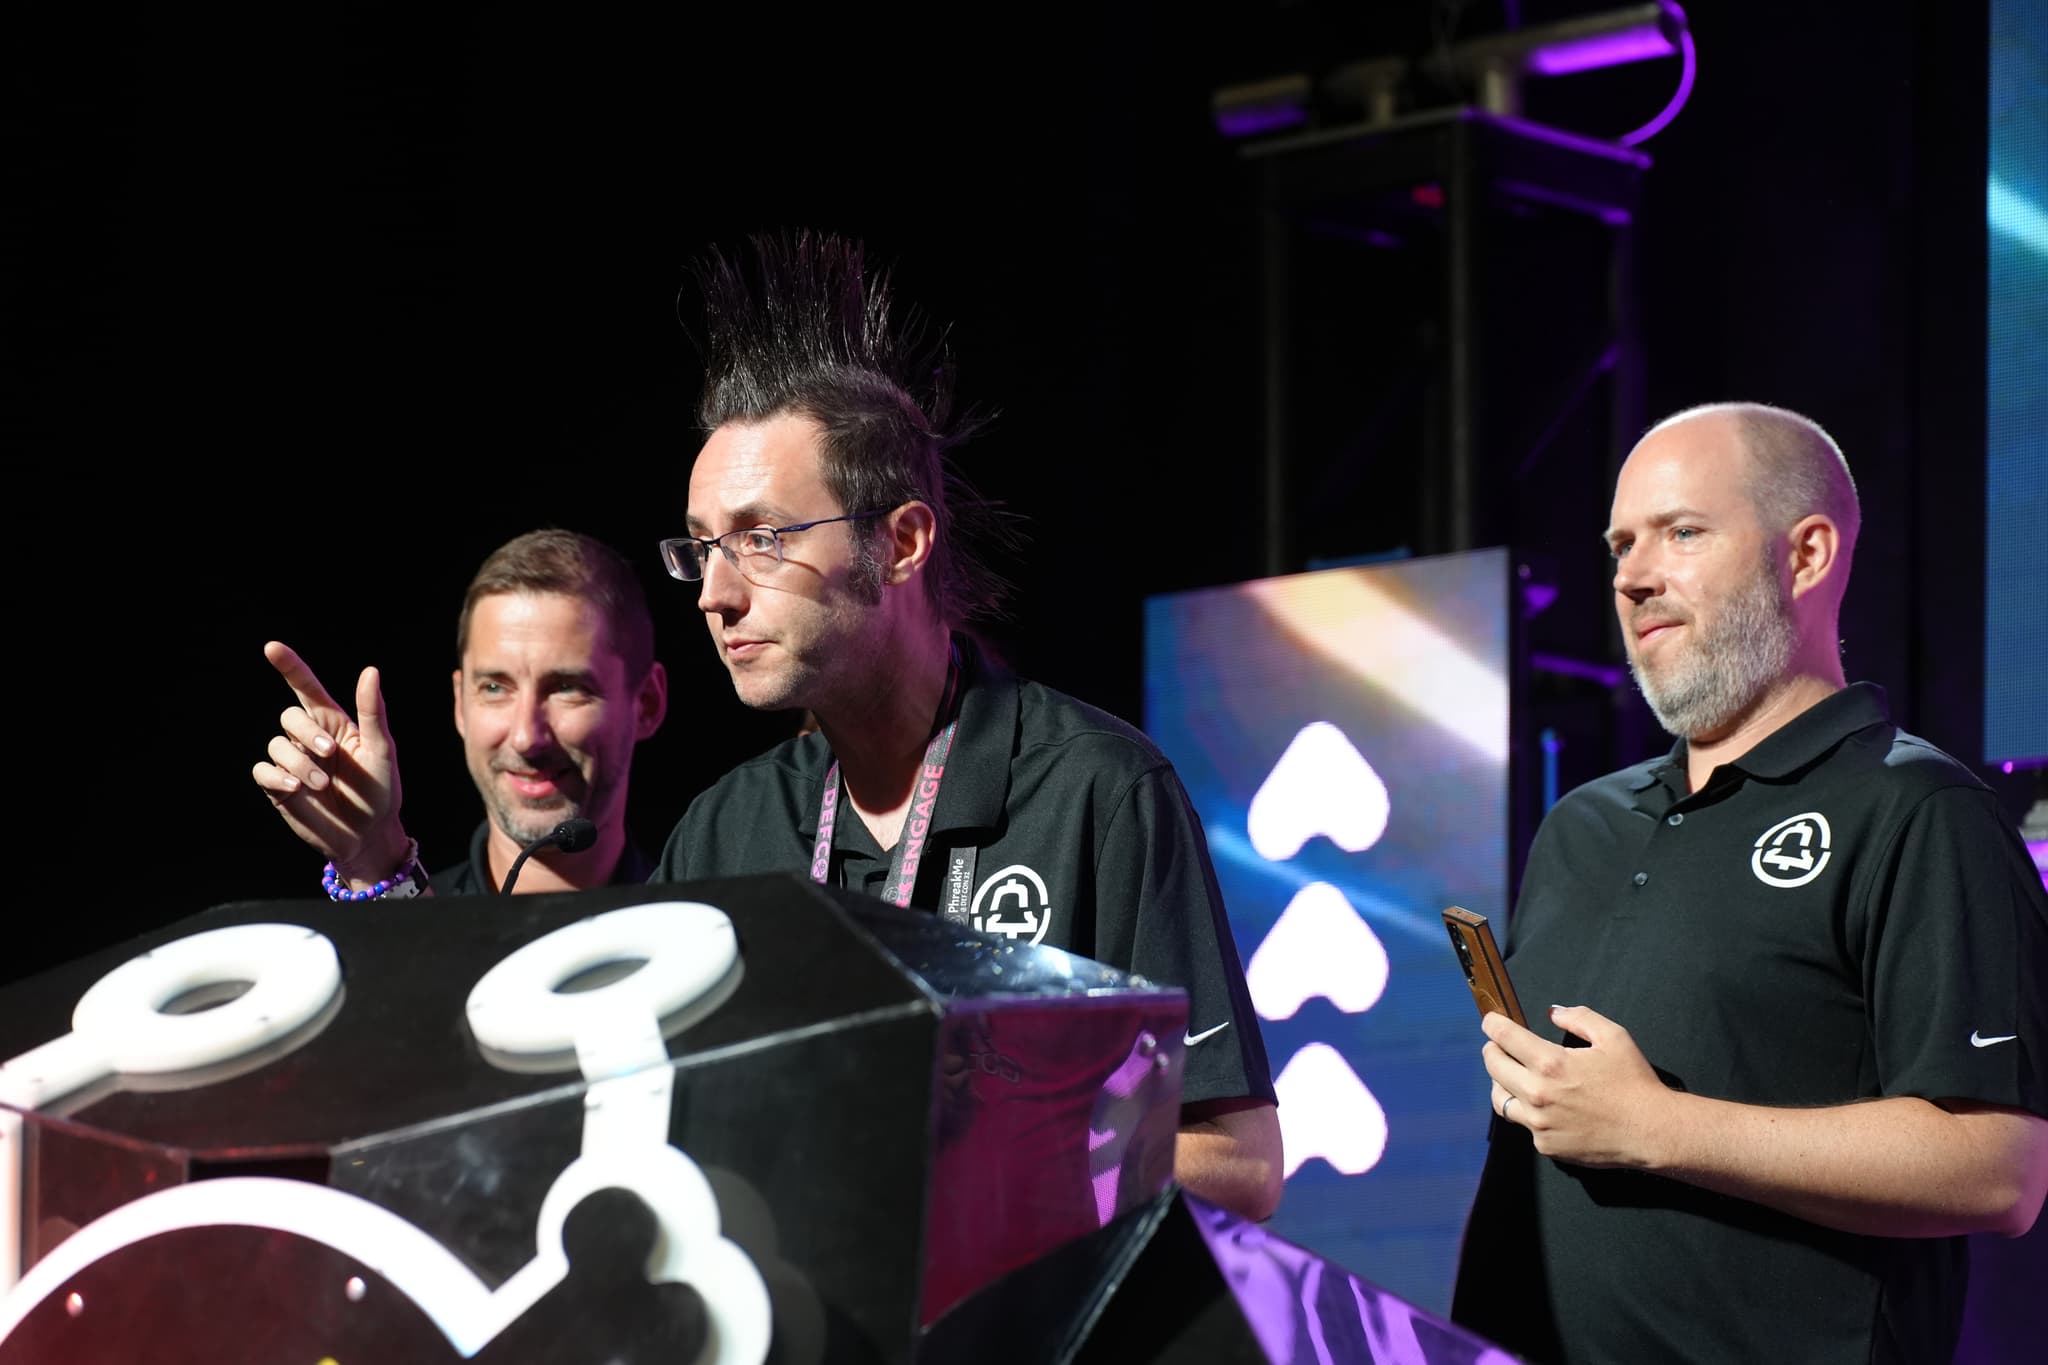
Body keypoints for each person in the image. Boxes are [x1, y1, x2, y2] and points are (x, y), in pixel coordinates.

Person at [245, 233, 1283, 1223]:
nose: (714, 594)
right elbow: (548, 1106)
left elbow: (1237, 1167)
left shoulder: (1094, 790)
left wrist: (960, 1154)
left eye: (762, 539)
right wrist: (380, 857)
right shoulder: (728, 830)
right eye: (700, 549)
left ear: (904, 542)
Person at [1449, 403, 2048, 1364]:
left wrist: (1660, 1127)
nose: (1633, 576)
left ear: (1805, 556)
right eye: (1620, 545)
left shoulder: (1919, 812)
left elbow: (1997, 1171)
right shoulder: (1580, 826)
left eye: (1682, 532)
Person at [252, 528, 669, 896]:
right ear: (460, 703)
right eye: (494, 687)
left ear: (646, 703)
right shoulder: (405, 914)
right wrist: (370, 854)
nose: (526, 736)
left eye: (566, 688)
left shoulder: (702, 927)